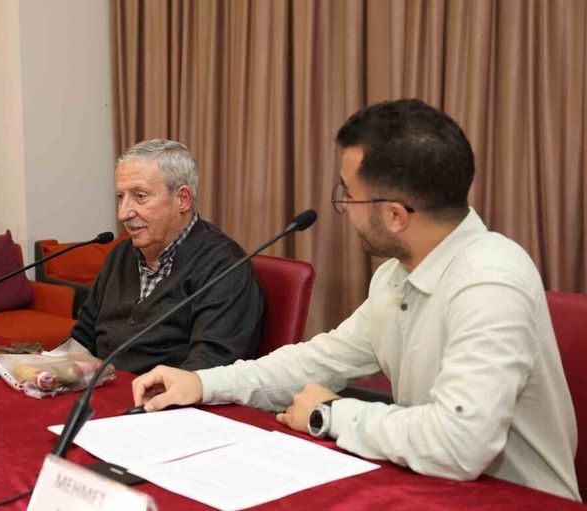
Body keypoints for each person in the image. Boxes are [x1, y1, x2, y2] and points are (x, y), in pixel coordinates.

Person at [131, 100, 580, 501]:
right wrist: (203, 383)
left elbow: (461, 443)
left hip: (516, 499)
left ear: (395, 215)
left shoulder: (491, 279)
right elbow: (316, 362)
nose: (343, 206)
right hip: (430, 487)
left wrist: (329, 414)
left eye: (349, 193)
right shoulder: (395, 277)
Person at [70, 139, 264, 374]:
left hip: (165, 395)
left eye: (140, 196)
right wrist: (51, 368)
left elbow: (210, 366)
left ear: (182, 199)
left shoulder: (224, 266)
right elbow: (84, 337)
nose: (123, 213)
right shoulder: (120, 254)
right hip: (102, 389)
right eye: (120, 196)